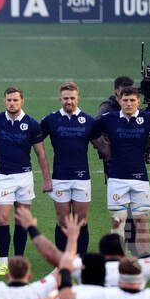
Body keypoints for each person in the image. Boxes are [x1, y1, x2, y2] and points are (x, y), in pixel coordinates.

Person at [0, 87, 51, 275]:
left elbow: (41, 153)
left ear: (22, 101)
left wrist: (47, 180)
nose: (12, 103)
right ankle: (3, 262)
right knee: (2, 219)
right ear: (4, 101)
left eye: (15, 100)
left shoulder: (31, 124)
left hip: (25, 177)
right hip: (4, 177)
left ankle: (18, 261)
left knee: (21, 220)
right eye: (9, 100)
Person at [92, 86, 150, 256]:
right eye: (125, 100)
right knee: (117, 221)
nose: (129, 103)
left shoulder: (148, 117)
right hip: (117, 178)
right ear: (119, 101)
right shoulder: (110, 118)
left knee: (142, 222)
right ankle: (117, 259)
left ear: (138, 101)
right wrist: (104, 148)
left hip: (140, 179)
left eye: (132, 100)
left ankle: (143, 259)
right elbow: (91, 129)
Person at [40, 81, 102, 254]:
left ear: (78, 99)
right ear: (60, 99)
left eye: (72, 98)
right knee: (63, 219)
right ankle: (62, 259)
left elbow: (102, 146)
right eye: (66, 98)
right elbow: (34, 139)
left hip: (82, 178)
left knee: (81, 220)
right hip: (60, 177)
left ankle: (80, 259)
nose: (69, 101)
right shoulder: (50, 120)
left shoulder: (88, 120)